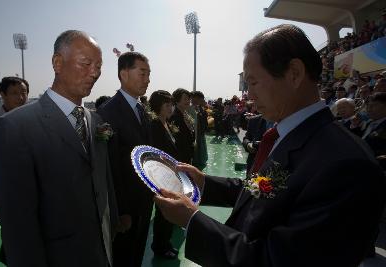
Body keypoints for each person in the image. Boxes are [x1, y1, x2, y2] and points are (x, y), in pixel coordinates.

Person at [154, 24, 386, 267]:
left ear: (294, 73)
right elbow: (263, 192)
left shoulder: (347, 165)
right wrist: (204, 182)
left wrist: (192, 221)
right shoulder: (288, 135)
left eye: (253, 82)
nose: (249, 95)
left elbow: (277, 261)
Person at [0, 30, 119, 267]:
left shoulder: (97, 122)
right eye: (86, 63)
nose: (95, 73)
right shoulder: (14, 127)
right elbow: (18, 223)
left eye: (99, 66)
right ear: (57, 63)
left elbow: (102, 182)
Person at [97, 51, 152, 267]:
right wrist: (120, 211)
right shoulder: (107, 112)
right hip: (125, 209)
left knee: (136, 254)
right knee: (123, 257)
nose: (147, 80)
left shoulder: (142, 110)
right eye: (143, 73)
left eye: (149, 74)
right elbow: (109, 167)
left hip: (144, 202)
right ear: (124, 74)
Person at [0, 76, 29, 212]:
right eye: (14, 93)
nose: (21, 97)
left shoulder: (33, 121)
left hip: (29, 182)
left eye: (24, 92)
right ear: (2, 95)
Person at [148, 90, 179, 259]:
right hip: (161, 177)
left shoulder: (166, 123)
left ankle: (166, 243)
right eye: (167, 105)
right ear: (158, 106)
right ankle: (160, 247)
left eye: (172, 104)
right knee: (163, 214)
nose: (171, 107)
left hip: (170, 175)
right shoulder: (154, 126)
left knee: (168, 213)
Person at [170, 88, 194, 164]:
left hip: (188, 153)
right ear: (177, 101)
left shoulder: (185, 114)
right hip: (180, 157)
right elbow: (176, 140)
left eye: (189, 99)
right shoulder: (174, 117)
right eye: (185, 99)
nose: (188, 101)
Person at [190, 91, 208, 170]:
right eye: (200, 99)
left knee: (201, 150)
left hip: (200, 132)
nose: (201, 101)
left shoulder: (200, 108)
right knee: (196, 151)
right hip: (195, 134)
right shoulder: (190, 109)